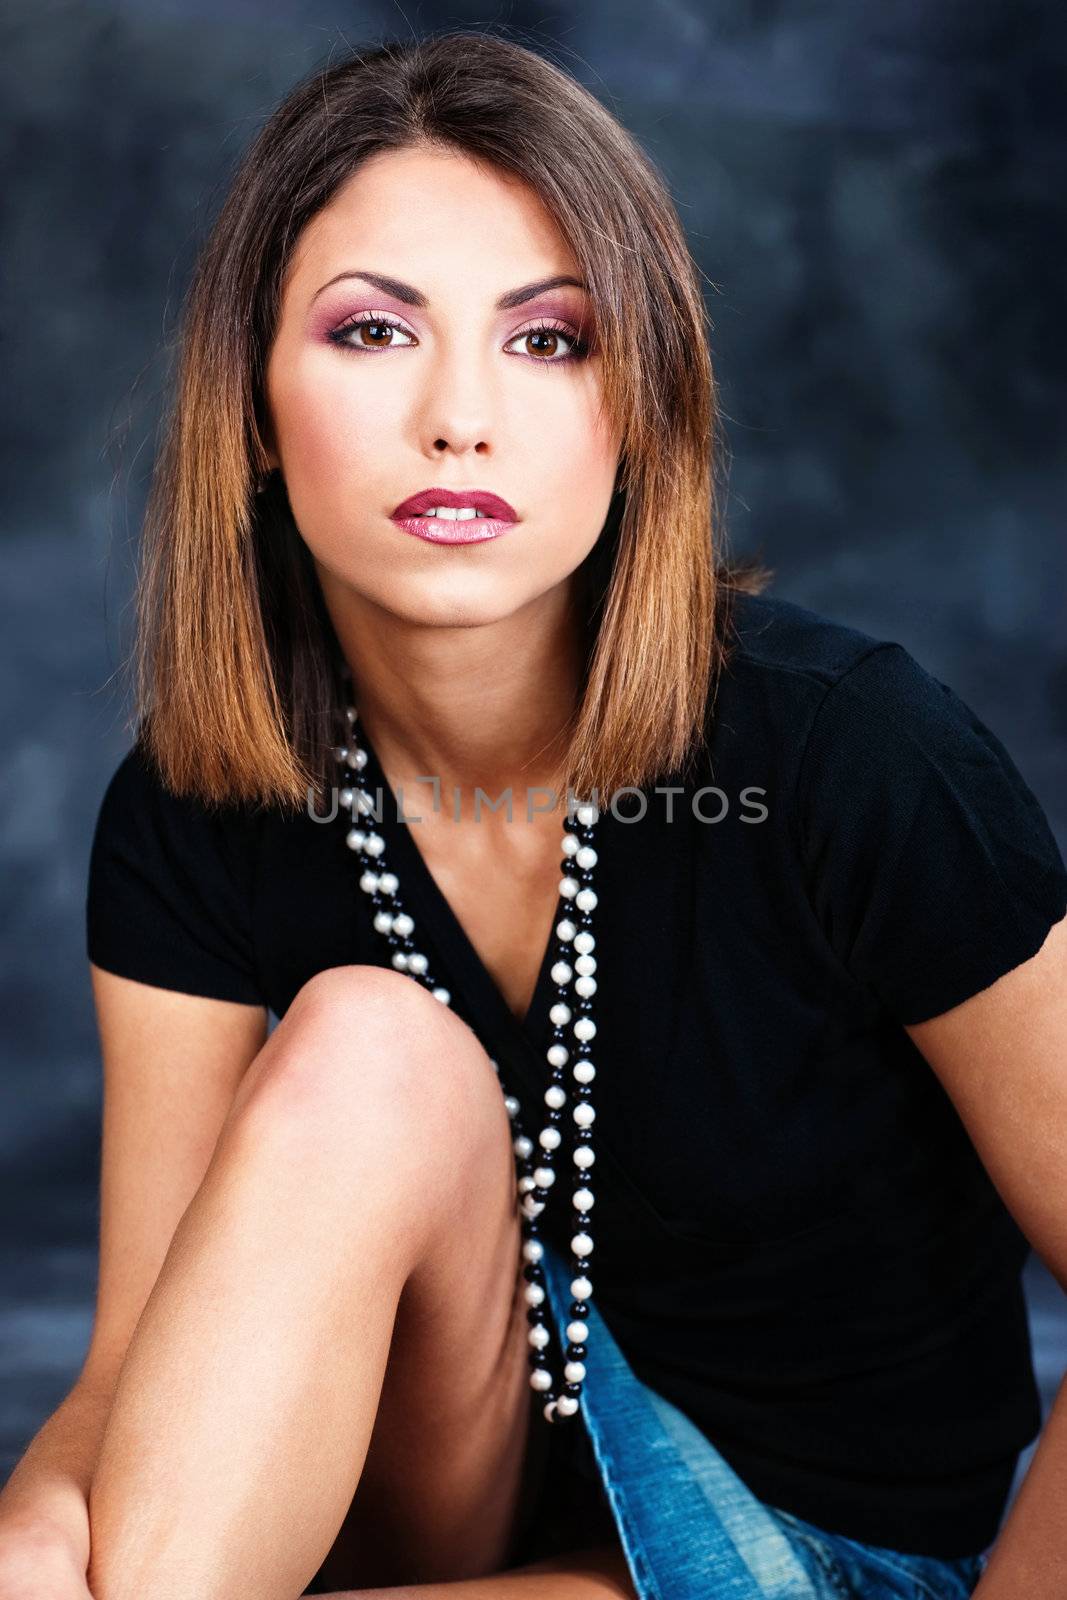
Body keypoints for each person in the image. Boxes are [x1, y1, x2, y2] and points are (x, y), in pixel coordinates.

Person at [1, 28, 1065, 1600]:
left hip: (828, 1557)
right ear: (246, 410)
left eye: (549, 342)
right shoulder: (195, 803)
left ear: (640, 412)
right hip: (431, 1527)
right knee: (365, 1042)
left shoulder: (855, 757)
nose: (459, 418)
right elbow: (132, 1377)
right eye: (371, 333)